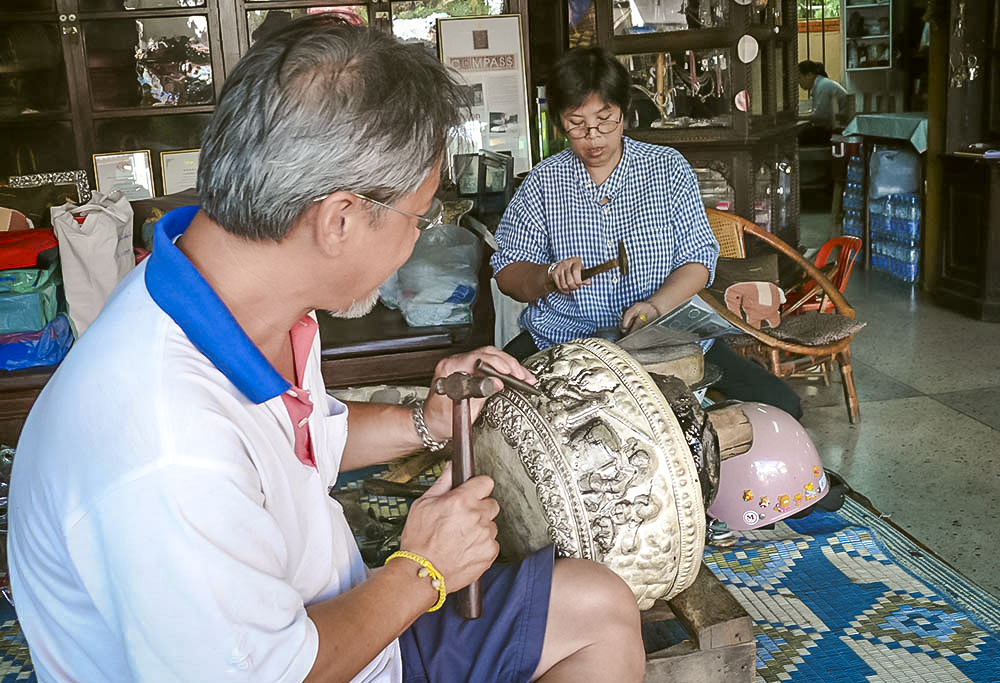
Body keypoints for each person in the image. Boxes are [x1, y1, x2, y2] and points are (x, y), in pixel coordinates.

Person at [7, 18, 645, 683]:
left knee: (597, 606)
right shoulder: (167, 447)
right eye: (418, 218)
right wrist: (420, 574)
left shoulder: (233, 294)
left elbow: (299, 437)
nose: (416, 241)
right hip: (304, 663)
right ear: (338, 220)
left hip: (345, 624)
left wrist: (426, 422)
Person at [492, 46, 802, 420]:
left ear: (624, 112)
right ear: (559, 122)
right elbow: (508, 273)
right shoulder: (544, 182)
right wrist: (546, 276)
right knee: (486, 404)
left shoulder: (666, 169)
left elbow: (698, 260)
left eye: (605, 120)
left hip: (663, 336)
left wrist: (656, 306)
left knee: (783, 405)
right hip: (563, 338)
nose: (593, 137)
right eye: (577, 124)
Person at [797, 60, 849, 145]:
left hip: (839, 131)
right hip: (837, 127)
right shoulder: (822, 84)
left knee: (799, 135)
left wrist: (799, 117)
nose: (798, 81)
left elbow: (821, 116)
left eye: (799, 77)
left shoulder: (822, 86)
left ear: (809, 75)